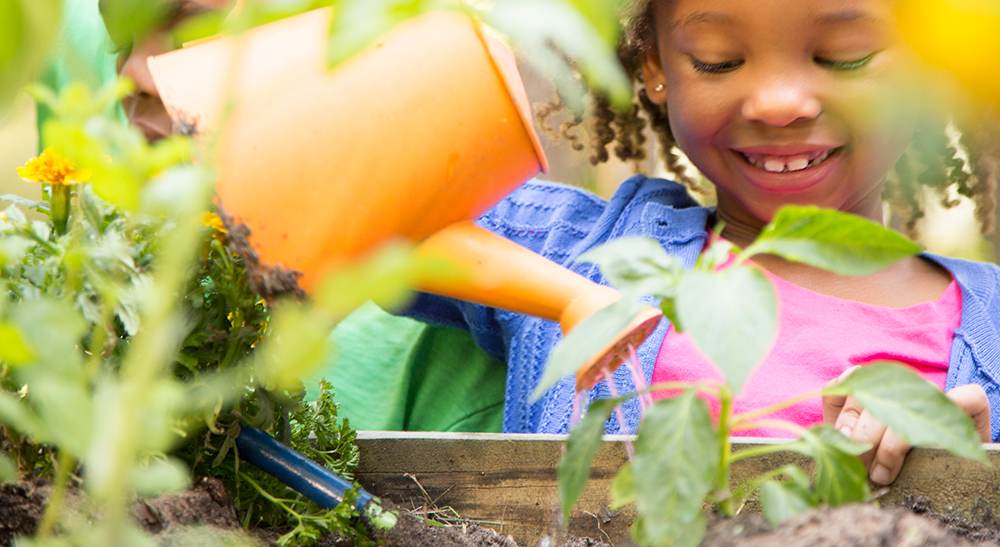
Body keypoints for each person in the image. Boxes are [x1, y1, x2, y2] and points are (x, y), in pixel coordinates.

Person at [391, 0, 1000, 489]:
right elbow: (368, 216)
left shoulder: (989, 323)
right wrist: (570, 297)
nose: (778, 103)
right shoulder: (581, 248)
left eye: (845, 56)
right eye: (717, 60)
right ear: (654, 67)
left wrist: (967, 457)